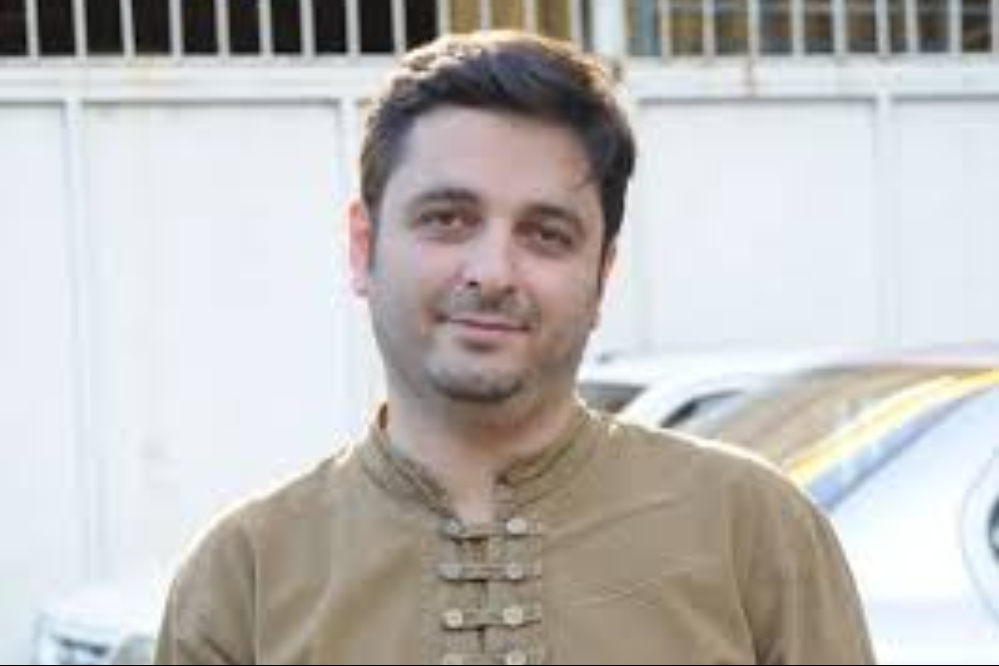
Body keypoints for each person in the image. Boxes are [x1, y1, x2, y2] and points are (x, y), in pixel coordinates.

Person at [154, 30, 875, 665]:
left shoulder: (750, 531)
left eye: (545, 235)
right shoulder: (245, 574)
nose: (493, 272)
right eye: (447, 219)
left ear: (602, 275)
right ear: (362, 246)